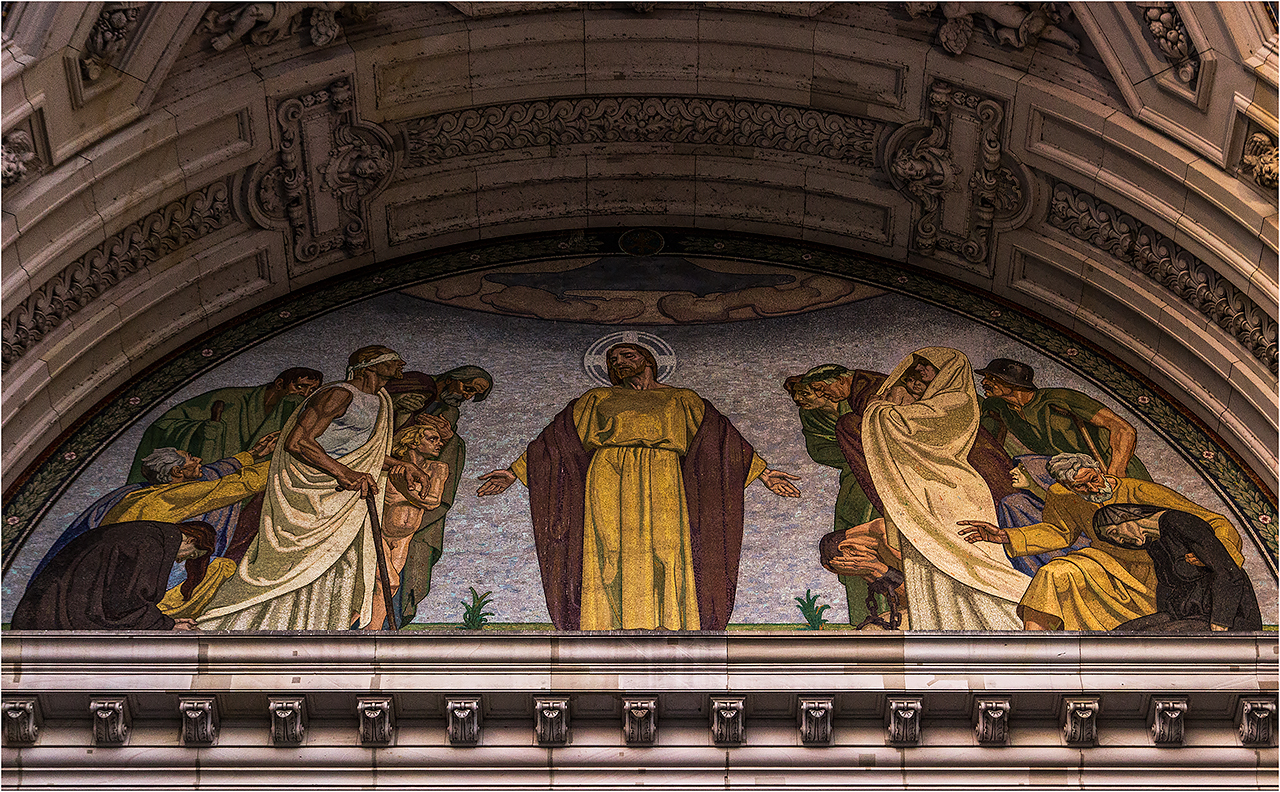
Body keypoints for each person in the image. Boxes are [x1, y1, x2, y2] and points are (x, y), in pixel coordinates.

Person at [477, 342, 801, 631]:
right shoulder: (596, 398)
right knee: (609, 550)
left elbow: (721, 441)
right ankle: (604, 625)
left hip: (664, 475)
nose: (619, 362)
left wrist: (763, 472)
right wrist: (513, 472)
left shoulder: (681, 398)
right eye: (613, 359)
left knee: (668, 548)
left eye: (627, 356)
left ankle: (669, 623)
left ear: (647, 360)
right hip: (607, 473)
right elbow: (554, 441)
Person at [197, 346, 434, 631]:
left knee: (354, 571)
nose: (401, 362)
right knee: (295, 567)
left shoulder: (381, 400)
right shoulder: (339, 394)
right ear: (370, 365)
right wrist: (344, 473)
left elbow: (359, 453)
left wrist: (400, 464)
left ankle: (325, 631)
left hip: (348, 499)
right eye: (391, 358)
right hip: (313, 495)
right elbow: (298, 441)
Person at [958, 452, 1246, 631]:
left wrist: (1213, 554)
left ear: (1098, 467)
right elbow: (1059, 531)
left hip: (1151, 572)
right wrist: (1006, 535)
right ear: (1067, 487)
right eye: (1081, 486)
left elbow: (1212, 521)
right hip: (1103, 562)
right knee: (1052, 574)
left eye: (1094, 478)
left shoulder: (1139, 490)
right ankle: (1033, 650)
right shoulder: (1063, 496)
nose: (1093, 488)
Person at [855, 347, 1029, 630]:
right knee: (929, 561)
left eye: (928, 367)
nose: (920, 372)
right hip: (922, 490)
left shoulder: (956, 400)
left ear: (948, 370)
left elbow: (902, 425)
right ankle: (940, 626)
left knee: (969, 561)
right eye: (919, 366)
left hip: (954, 492)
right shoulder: (925, 401)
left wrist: (877, 407)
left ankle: (1001, 625)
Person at [383, 365, 494, 626]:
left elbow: (441, 457)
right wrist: (398, 406)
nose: (467, 396)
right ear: (452, 379)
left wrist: (451, 439)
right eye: (468, 388)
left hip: (413, 510)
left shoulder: (448, 413)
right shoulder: (417, 386)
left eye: (473, 395)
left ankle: (388, 626)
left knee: (400, 574)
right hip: (387, 493)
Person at [784, 370, 884, 626]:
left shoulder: (864, 404)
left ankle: (891, 611)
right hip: (854, 481)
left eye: (805, 394)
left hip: (884, 480)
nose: (800, 401)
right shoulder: (815, 418)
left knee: (876, 545)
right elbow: (820, 450)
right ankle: (863, 619)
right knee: (842, 548)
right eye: (796, 397)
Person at [128, 367, 322, 483]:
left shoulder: (293, 412)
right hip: (203, 478)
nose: (304, 395)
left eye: (312, 390)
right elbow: (162, 426)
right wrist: (209, 431)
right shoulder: (230, 399)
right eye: (300, 387)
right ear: (280, 384)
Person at [11, 521, 215, 631]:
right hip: (59, 619)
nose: (181, 560)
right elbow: (124, 604)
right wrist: (167, 625)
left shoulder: (148, 533)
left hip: (44, 613)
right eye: (192, 554)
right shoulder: (151, 544)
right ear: (190, 539)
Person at [1091, 504, 1261, 632]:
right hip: (1186, 613)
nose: (1118, 541)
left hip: (1226, 616)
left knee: (1145, 641)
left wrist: (1221, 620)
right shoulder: (1155, 541)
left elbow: (1228, 571)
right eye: (1111, 539)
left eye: (1113, 532)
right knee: (1117, 636)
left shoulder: (1178, 522)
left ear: (1123, 516)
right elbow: (1168, 585)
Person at [975, 358, 1149, 480]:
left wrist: (1115, 475)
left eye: (992, 378)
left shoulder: (1060, 398)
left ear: (1013, 382)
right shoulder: (998, 407)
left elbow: (1123, 429)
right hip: (1075, 478)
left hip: (1114, 468)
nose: (984, 382)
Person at [368, 424, 450, 630]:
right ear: (413, 442)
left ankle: (368, 633)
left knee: (387, 588)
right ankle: (371, 634)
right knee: (390, 582)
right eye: (432, 439)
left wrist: (405, 489)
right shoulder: (388, 468)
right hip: (379, 534)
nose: (439, 443)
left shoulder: (437, 468)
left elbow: (432, 501)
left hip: (404, 539)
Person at [996, 454, 1091, 576]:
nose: (1012, 472)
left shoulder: (1071, 505)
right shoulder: (1017, 503)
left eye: (1023, 469)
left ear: (1040, 475)